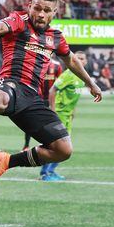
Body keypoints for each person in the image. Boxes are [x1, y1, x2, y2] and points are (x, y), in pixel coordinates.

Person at [0, 0, 102, 190]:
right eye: (37, 8)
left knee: (63, 150)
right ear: (29, 6)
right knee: (2, 98)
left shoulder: (55, 37)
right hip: (10, 82)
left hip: (32, 99)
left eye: (47, 10)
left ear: (55, 12)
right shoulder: (19, 20)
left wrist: (91, 82)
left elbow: (70, 60)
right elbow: (0, 25)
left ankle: (5, 162)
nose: (40, 14)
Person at [41, 51, 89, 181]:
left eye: (82, 58)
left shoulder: (81, 77)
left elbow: (73, 96)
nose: (80, 60)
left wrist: (73, 110)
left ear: (86, 61)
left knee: (64, 147)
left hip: (68, 115)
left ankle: (49, 172)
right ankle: (46, 173)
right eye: (77, 58)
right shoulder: (69, 74)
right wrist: (53, 110)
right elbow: (52, 90)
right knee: (60, 146)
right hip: (60, 114)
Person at [22, 56, 62, 151]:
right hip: (35, 98)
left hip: (50, 99)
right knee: (29, 122)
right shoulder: (35, 63)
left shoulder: (57, 66)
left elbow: (60, 82)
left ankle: (46, 144)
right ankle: (26, 145)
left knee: (48, 123)